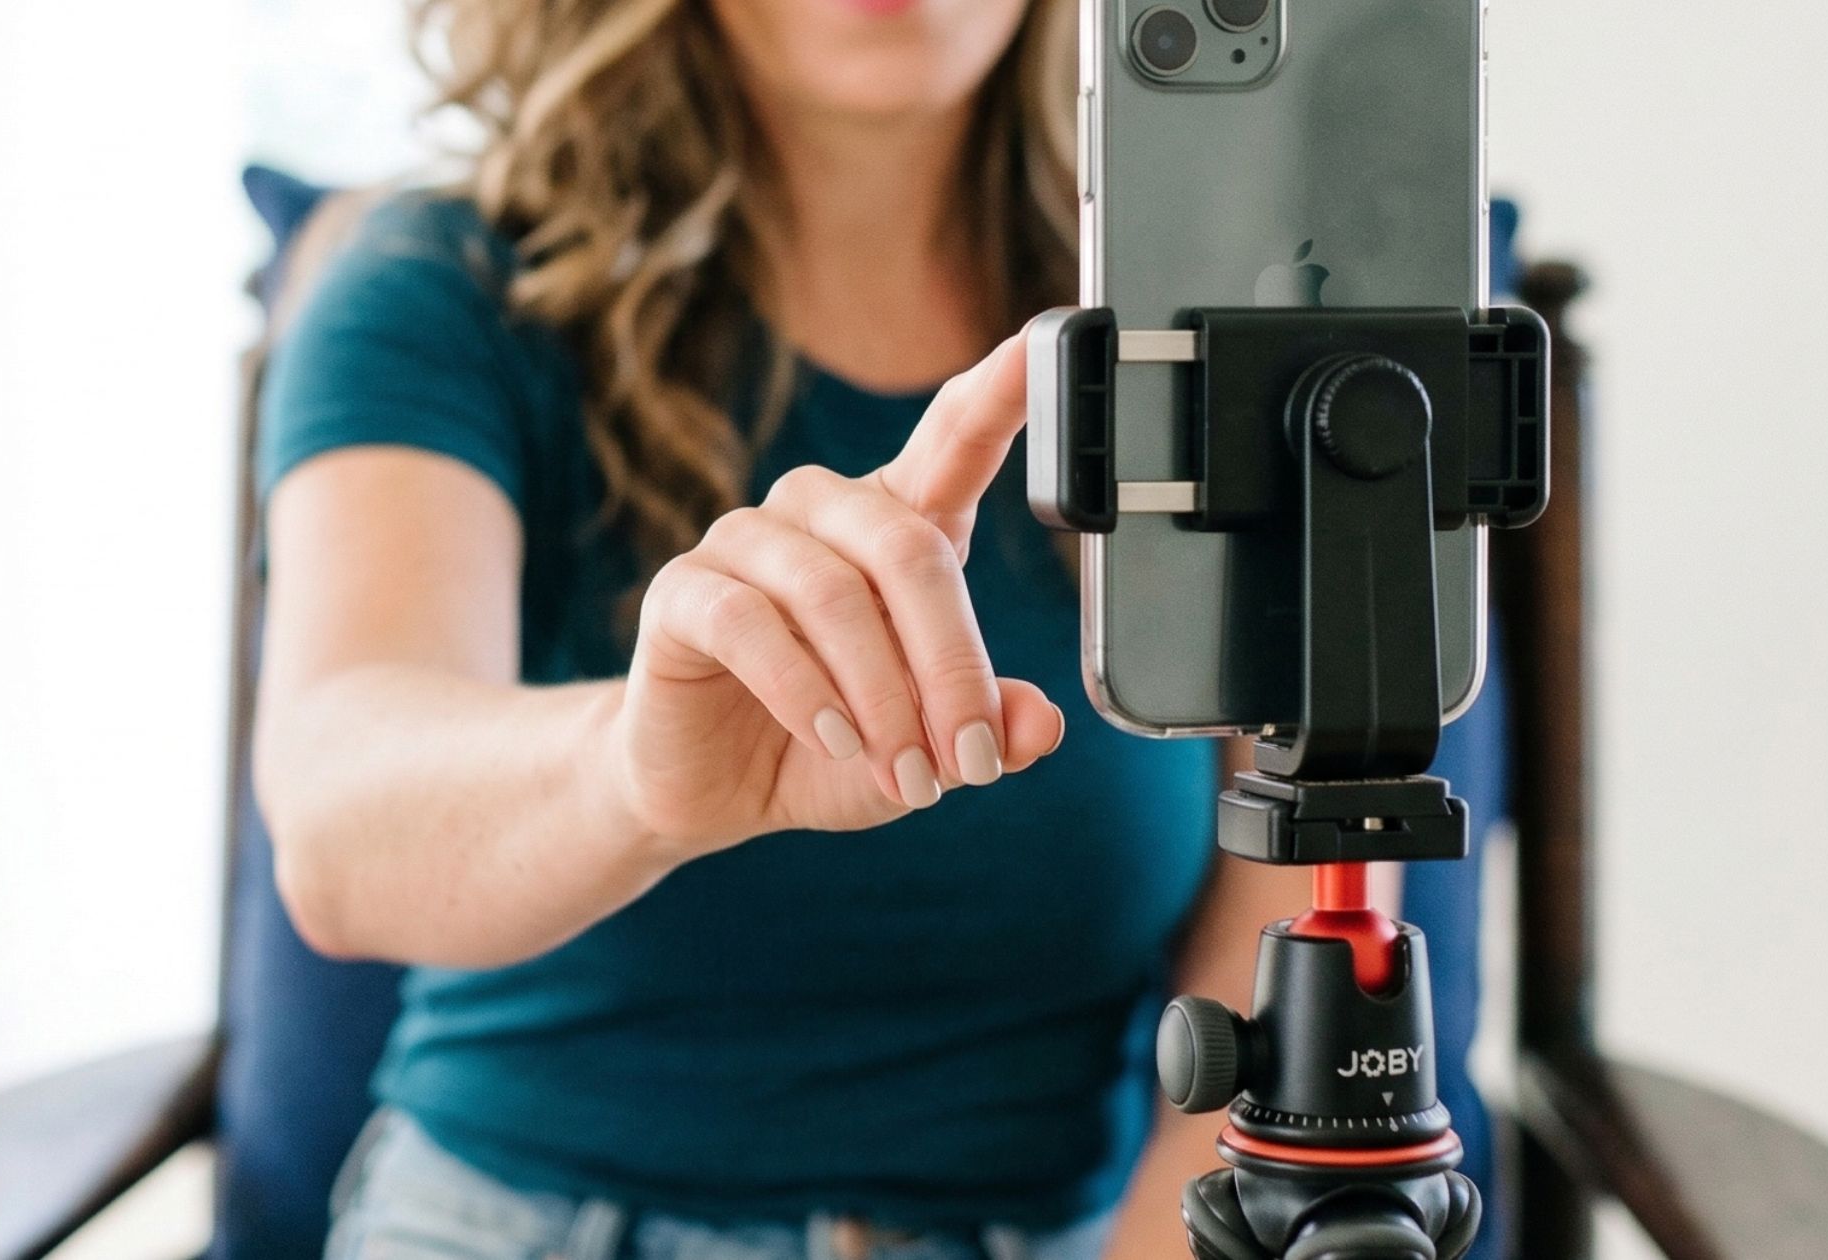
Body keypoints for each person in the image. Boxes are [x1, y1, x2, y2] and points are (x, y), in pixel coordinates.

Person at [253, 1, 1313, 1257]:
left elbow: (1297, 892)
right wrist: (632, 775)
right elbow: (338, 833)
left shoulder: (1218, 314)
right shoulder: (440, 287)